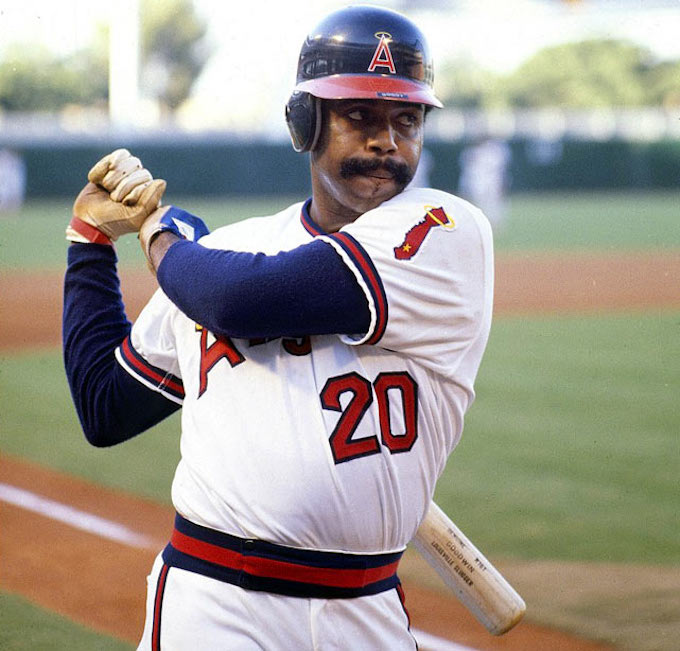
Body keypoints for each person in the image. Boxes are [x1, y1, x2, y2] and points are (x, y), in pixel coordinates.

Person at [63, 6, 494, 649]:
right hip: (214, 600)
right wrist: (90, 241)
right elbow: (106, 407)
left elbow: (238, 300)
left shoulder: (445, 232)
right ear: (304, 123)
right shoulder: (219, 257)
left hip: (366, 607)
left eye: (406, 120)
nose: (386, 141)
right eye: (359, 116)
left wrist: (158, 235)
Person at [458, 136, 511, 229]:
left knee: (493, 202)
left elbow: (500, 168)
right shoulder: (470, 152)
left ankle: (494, 222)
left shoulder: (494, 151)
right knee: (477, 202)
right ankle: (479, 222)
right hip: (478, 180)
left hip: (492, 179)